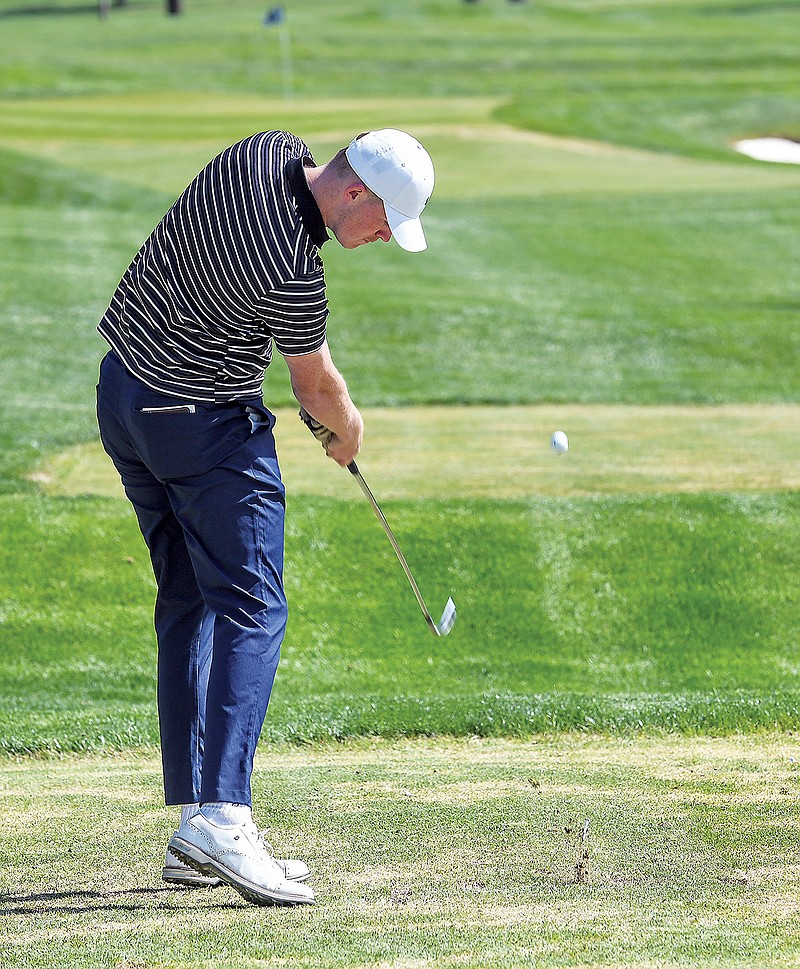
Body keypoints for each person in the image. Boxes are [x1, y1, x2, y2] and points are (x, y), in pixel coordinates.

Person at [95, 128, 435, 906]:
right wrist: (346, 432)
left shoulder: (265, 148)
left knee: (189, 598)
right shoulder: (293, 269)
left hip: (125, 396)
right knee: (253, 603)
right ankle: (225, 813)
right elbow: (316, 389)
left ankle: (193, 828)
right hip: (197, 423)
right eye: (385, 221)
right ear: (354, 193)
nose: (384, 236)